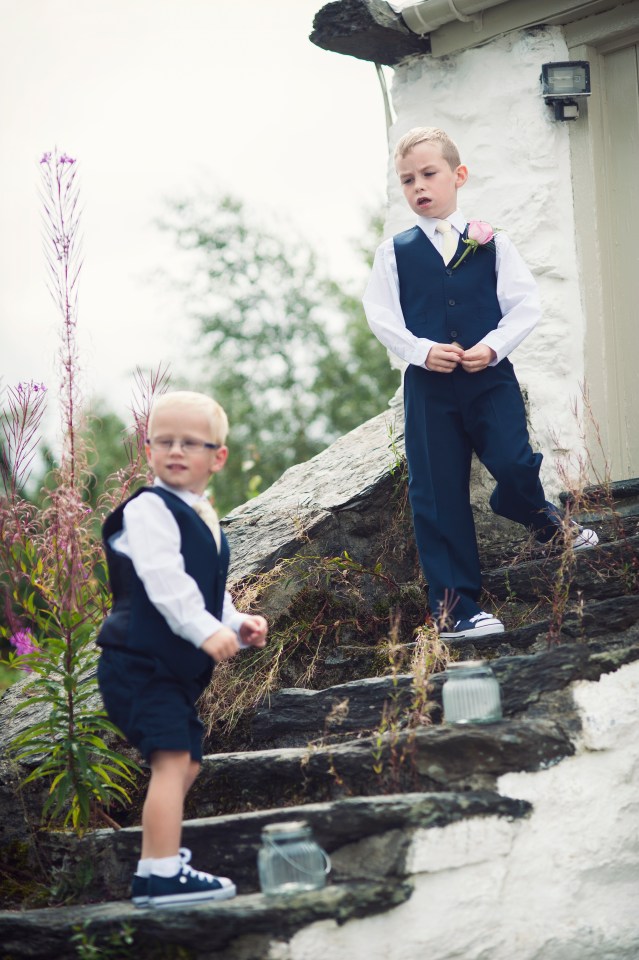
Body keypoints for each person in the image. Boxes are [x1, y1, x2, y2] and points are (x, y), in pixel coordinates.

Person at [363, 126, 597, 640]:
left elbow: (525, 305)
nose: (419, 186)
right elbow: (380, 317)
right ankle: (455, 611)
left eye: (429, 174)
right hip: (429, 390)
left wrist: (492, 346)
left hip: (490, 377)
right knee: (437, 493)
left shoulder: (493, 243)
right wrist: (422, 352)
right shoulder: (393, 253)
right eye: (407, 180)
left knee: (514, 459)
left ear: (458, 176)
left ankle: (529, 509)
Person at [97, 390, 268, 907]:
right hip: (136, 662)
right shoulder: (149, 509)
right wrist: (202, 630)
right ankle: (162, 874)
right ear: (148, 449)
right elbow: (163, 579)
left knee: (186, 762)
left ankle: (156, 869)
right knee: (172, 760)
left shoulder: (202, 515)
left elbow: (209, 591)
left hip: (165, 669)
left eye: (189, 443)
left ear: (217, 457)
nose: (175, 450)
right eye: (163, 441)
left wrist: (236, 625)